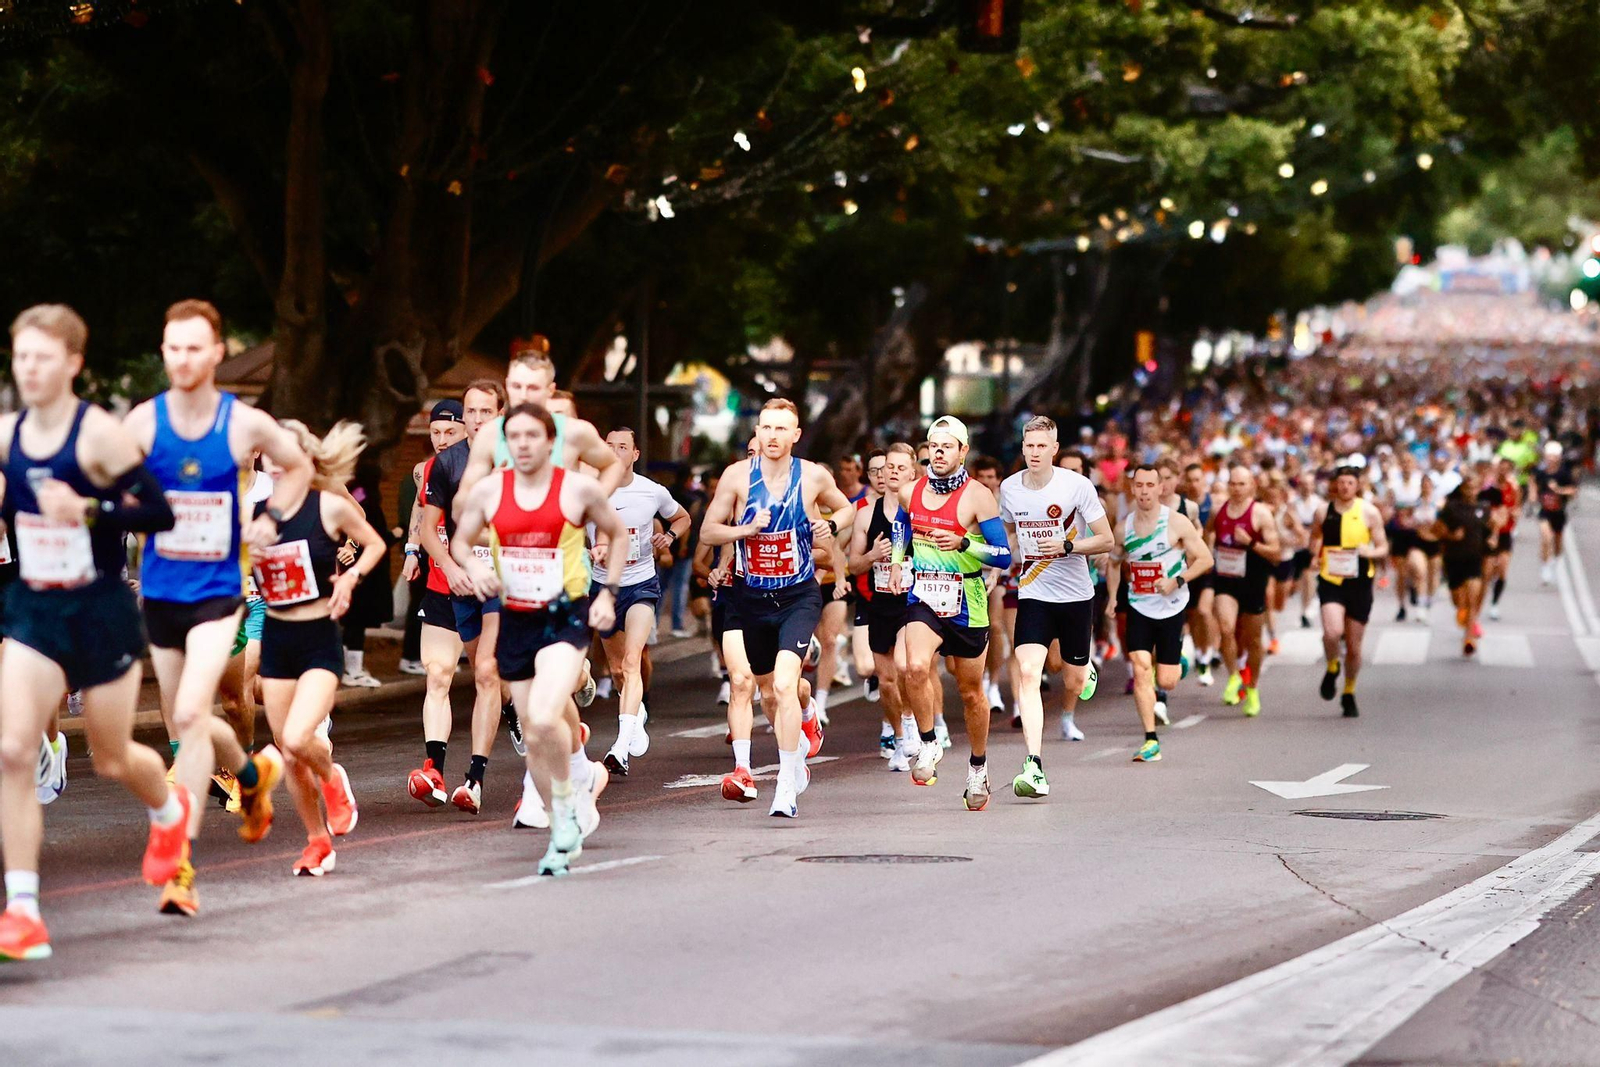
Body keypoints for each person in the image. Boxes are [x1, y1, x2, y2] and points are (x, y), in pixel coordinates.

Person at [0, 304, 184, 961]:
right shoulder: (8, 435)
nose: (30, 369)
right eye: (22, 357)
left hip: (101, 611)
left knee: (110, 758)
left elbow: (159, 511)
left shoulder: (99, 435)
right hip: (33, 611)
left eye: (42, 357)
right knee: (13, 750)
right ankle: (22, 909)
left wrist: (89, 508)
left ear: (73, 363)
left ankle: (167, 810)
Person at [123, 299, 315, 914]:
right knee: (188, 720)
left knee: (186, 713)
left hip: (217, 595)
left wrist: (271, 518)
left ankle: (180, 866)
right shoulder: (142, 424)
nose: (182, 359)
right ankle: (255, 777)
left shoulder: (243, 424)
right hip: (160, 595)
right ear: (164, 352)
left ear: (216, 351)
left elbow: (298, 466)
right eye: (172, 348)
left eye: (194, 347)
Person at [452, 402, 627, 876]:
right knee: (532, 732)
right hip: (515, 618)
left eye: (534, 436)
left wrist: (608, 594)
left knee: (547, 714)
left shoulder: (577, 489)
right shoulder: (490, 491)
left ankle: (570, 797)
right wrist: (471, 569)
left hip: (564, 617)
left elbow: (618, 534)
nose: (524, 445)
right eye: (515, 437)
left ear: (552, 442)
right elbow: (459, 542)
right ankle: (562, 823)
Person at [700, 399, 853, 817]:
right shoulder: (736, 476)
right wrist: (745, 529)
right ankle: (800, 728)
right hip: (751, 598)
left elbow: (848, 506)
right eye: (766, 427)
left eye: (781, 429)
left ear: (795, 435)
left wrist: (832, 525)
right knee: (764, 686)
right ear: (758, 432)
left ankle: (786, 783)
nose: (772, 436)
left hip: (798, 596)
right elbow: (709, 530)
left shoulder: (813, 476)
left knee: (784, 684)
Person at [253, 421, 386, 877]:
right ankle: (317, 841)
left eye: (280, 448)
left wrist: (350, 576)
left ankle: (332, 778)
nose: (271, 457)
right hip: (276, 639)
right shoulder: (256, 512)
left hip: (317, 639)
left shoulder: (327, 506)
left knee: (294, 737)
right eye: (266, 448)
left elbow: (373, 543)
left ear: (301, 456)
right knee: (289, 753)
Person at [891, 415, 1013, 810]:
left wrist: (963, 544)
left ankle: (978, 768)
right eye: (934, 446)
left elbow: (1003, 556)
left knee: (971, 692)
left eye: (948, 446)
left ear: (963, 451)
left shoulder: (978, 496)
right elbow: (901, 529)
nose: (939, 452)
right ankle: (928, 743)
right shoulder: (912, 491)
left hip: (967, 602)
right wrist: (896, 562)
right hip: (923, 594)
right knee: (913, 666)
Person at [411, 381, 515, 814]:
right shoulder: (445, 465)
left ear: (501, 414)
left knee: (487, 673)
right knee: (459, 672)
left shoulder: (518, 460)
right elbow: (427, 529)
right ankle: (436, 764)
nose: (475, 420)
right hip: (458, 583)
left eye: (485, 412)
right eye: (470, 412)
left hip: (507, 583)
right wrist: (451, 567)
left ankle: (474, 778)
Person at [999, 417, 1112, 798]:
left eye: (1041, 446)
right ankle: (1034, 765)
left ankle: (1085, 669)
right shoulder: (1010, 488)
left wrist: (1068, 547)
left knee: (1072, 680)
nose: (1033, 453)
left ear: (1054, 449)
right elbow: (1007, 532)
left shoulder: (1076, 486)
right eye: (1028, 446)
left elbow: (1106, 540)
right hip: (1033, 592)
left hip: (1076, 596)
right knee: (1029, 672)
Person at [594, 427, 690, 775]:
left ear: (635, 454)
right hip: (603, 587)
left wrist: (669, 536)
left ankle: (620, 748)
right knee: (618, 669)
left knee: (633, 661)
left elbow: (683, 517)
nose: (615, 452)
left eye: (623, 447)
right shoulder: (590, 490)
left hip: (640, 585)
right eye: (609, 446)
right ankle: (636, 716)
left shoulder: (651, 491)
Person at [1112, 464, 1212, 762]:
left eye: (1149, 485)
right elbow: (1115, 560)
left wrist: (1176, 580)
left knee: (1167, 681)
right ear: (1133, 488)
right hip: (1139, 605)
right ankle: (1150, 739)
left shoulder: (1177, 522)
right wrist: (1112, 600)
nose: (1144, 491)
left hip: (1172, 606)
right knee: (1141, 667)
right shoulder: (1124, 527)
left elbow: (1205, 559)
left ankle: (1178, 659)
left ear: (1160, 488)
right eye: (1139, 485)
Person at [850, 443, 917, 772]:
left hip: (912, 602)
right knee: (887, 679)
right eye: (888, 466)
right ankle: (901, 736)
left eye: (900, 467)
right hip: (880, 603)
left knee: (906, 666)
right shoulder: (865, 515)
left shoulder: (920, 513)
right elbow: (853, 565)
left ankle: (915, 723)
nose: (892, 472)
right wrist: (873, 556)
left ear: (912, 473)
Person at [1311, 467, 1387, 717]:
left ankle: (1349, 691)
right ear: (1335, 485)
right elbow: (1314, 539)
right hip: (1331, 579)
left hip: (1359, 583)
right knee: (1333, 632)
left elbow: (1383, 546)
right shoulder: (1323, 511)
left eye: (1350, 483)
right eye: (1341, 483)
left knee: (1354, 647)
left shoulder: (1369, 512)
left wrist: (1370, 553)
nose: (1344, 487)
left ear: (1357, 486)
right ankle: (1333, 666)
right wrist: (1314, 556)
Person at [399, 402, 468, 673]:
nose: (442, 441)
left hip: (483, 581)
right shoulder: (422, 470)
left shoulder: (487, 468)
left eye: (450, 432)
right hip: (441, 581)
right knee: (437, 673)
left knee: (494, 673)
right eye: (435, 432)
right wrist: (412, 550)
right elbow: (420, 503)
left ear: (467, 431)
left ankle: (513, 709)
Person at [1207, 465, 1279, 718]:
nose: (1236, 489)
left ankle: (1253, 687)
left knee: (1254, 641)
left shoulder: (1260, 514)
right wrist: (1208, 554)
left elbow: (1276, 551)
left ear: (1252, 486)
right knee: (1226, 627)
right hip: (1226, 578)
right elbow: (1208, 535)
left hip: (1253, 580)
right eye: (1232, 483)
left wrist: (1251, 543)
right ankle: (1234, 677)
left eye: (1242, 484)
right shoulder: (1219, 510)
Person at [1435, 471, 1494, 657]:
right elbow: (1437, 529)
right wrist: (1452, 535)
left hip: (1475, 559)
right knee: (1459, 602)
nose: (1471, 491)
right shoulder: (1452, 508)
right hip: (1454, 560)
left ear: (1478, 489)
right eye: (1468, 488)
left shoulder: (1484, 508)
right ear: (1463, 489)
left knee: (1473, 596)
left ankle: (1469, 639)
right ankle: (1464, 615)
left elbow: (1492, 527)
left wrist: (1493, 538)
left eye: (1474, 487)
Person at [1535, 442, 1576, 585]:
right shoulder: (1541, 472)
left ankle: (1555, 562)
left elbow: (1573, 491)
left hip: (1559, 512)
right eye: (1549, 456)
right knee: (1546, 538)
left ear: (1559, 457)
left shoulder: (1564, 473)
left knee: (1558, 543)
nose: (1551, 459)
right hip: (1545, 511)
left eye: (1554, 456)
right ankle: (1545, 566)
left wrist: (1558, 490)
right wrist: (1533, 496)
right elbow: (1533, 481)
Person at [1485, 456, 1519, 620]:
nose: (1504, 471)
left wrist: (1512, 514)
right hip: (1491, 534)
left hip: (1505, 533)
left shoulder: (1513, 488)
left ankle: (1495, 603)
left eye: (1507, 469)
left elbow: (1516, 509)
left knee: (1503, 569)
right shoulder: (1489, 488)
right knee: (1489, 570)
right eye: (1501, 468)